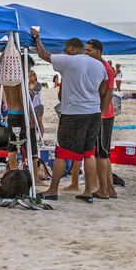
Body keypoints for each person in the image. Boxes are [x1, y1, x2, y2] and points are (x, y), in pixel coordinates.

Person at [35, 33, 108, 204]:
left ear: (70, 49)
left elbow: (42, 54)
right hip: (93, 112)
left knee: (62, 153)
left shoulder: (69, 60)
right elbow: (102, 91)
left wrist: (37, 38)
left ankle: (52, 190)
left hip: (73, 112)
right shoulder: (100, 65)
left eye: (66, 50)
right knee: (88, 153)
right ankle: (88, 192)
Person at [85, 39, 117, 200]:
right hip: (101, 114)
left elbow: (109, 94)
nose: (85, 53)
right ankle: (109, 189)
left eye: (89, 50)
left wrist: (100, 114)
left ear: (98, 52)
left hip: (103, 115)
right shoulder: (98, 66)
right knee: (102, 153)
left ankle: (103, 190)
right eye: (84, 50)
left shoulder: (106, 68)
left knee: (101, 154)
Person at [0, 55, 38, 172]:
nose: (29, 70)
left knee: (12, 146)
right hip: (21, 114)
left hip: (11, 113)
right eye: (28, 67)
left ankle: (13, 172)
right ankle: (34, 176)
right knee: (31, 146)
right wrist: (31, 117)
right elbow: (22, 98)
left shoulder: (9, 77)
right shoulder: (21, 78)